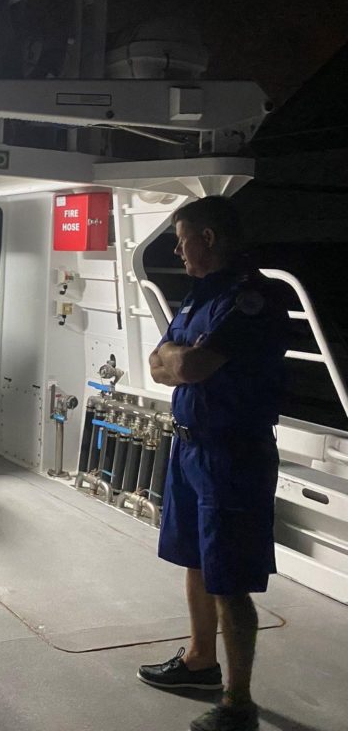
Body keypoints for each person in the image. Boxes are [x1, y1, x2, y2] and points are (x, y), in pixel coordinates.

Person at [138, 196, 290, 731]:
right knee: (196, 559)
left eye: (182, 241)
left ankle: (237, 704)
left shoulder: (253, 300)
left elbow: (191, 365)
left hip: (232, 452)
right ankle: (201, 661)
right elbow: (158, 364)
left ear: (207, 238)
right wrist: (178, 359)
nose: (177, 252)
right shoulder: (200, 295)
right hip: (190, 448)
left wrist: (181, 359)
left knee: (228, 576)